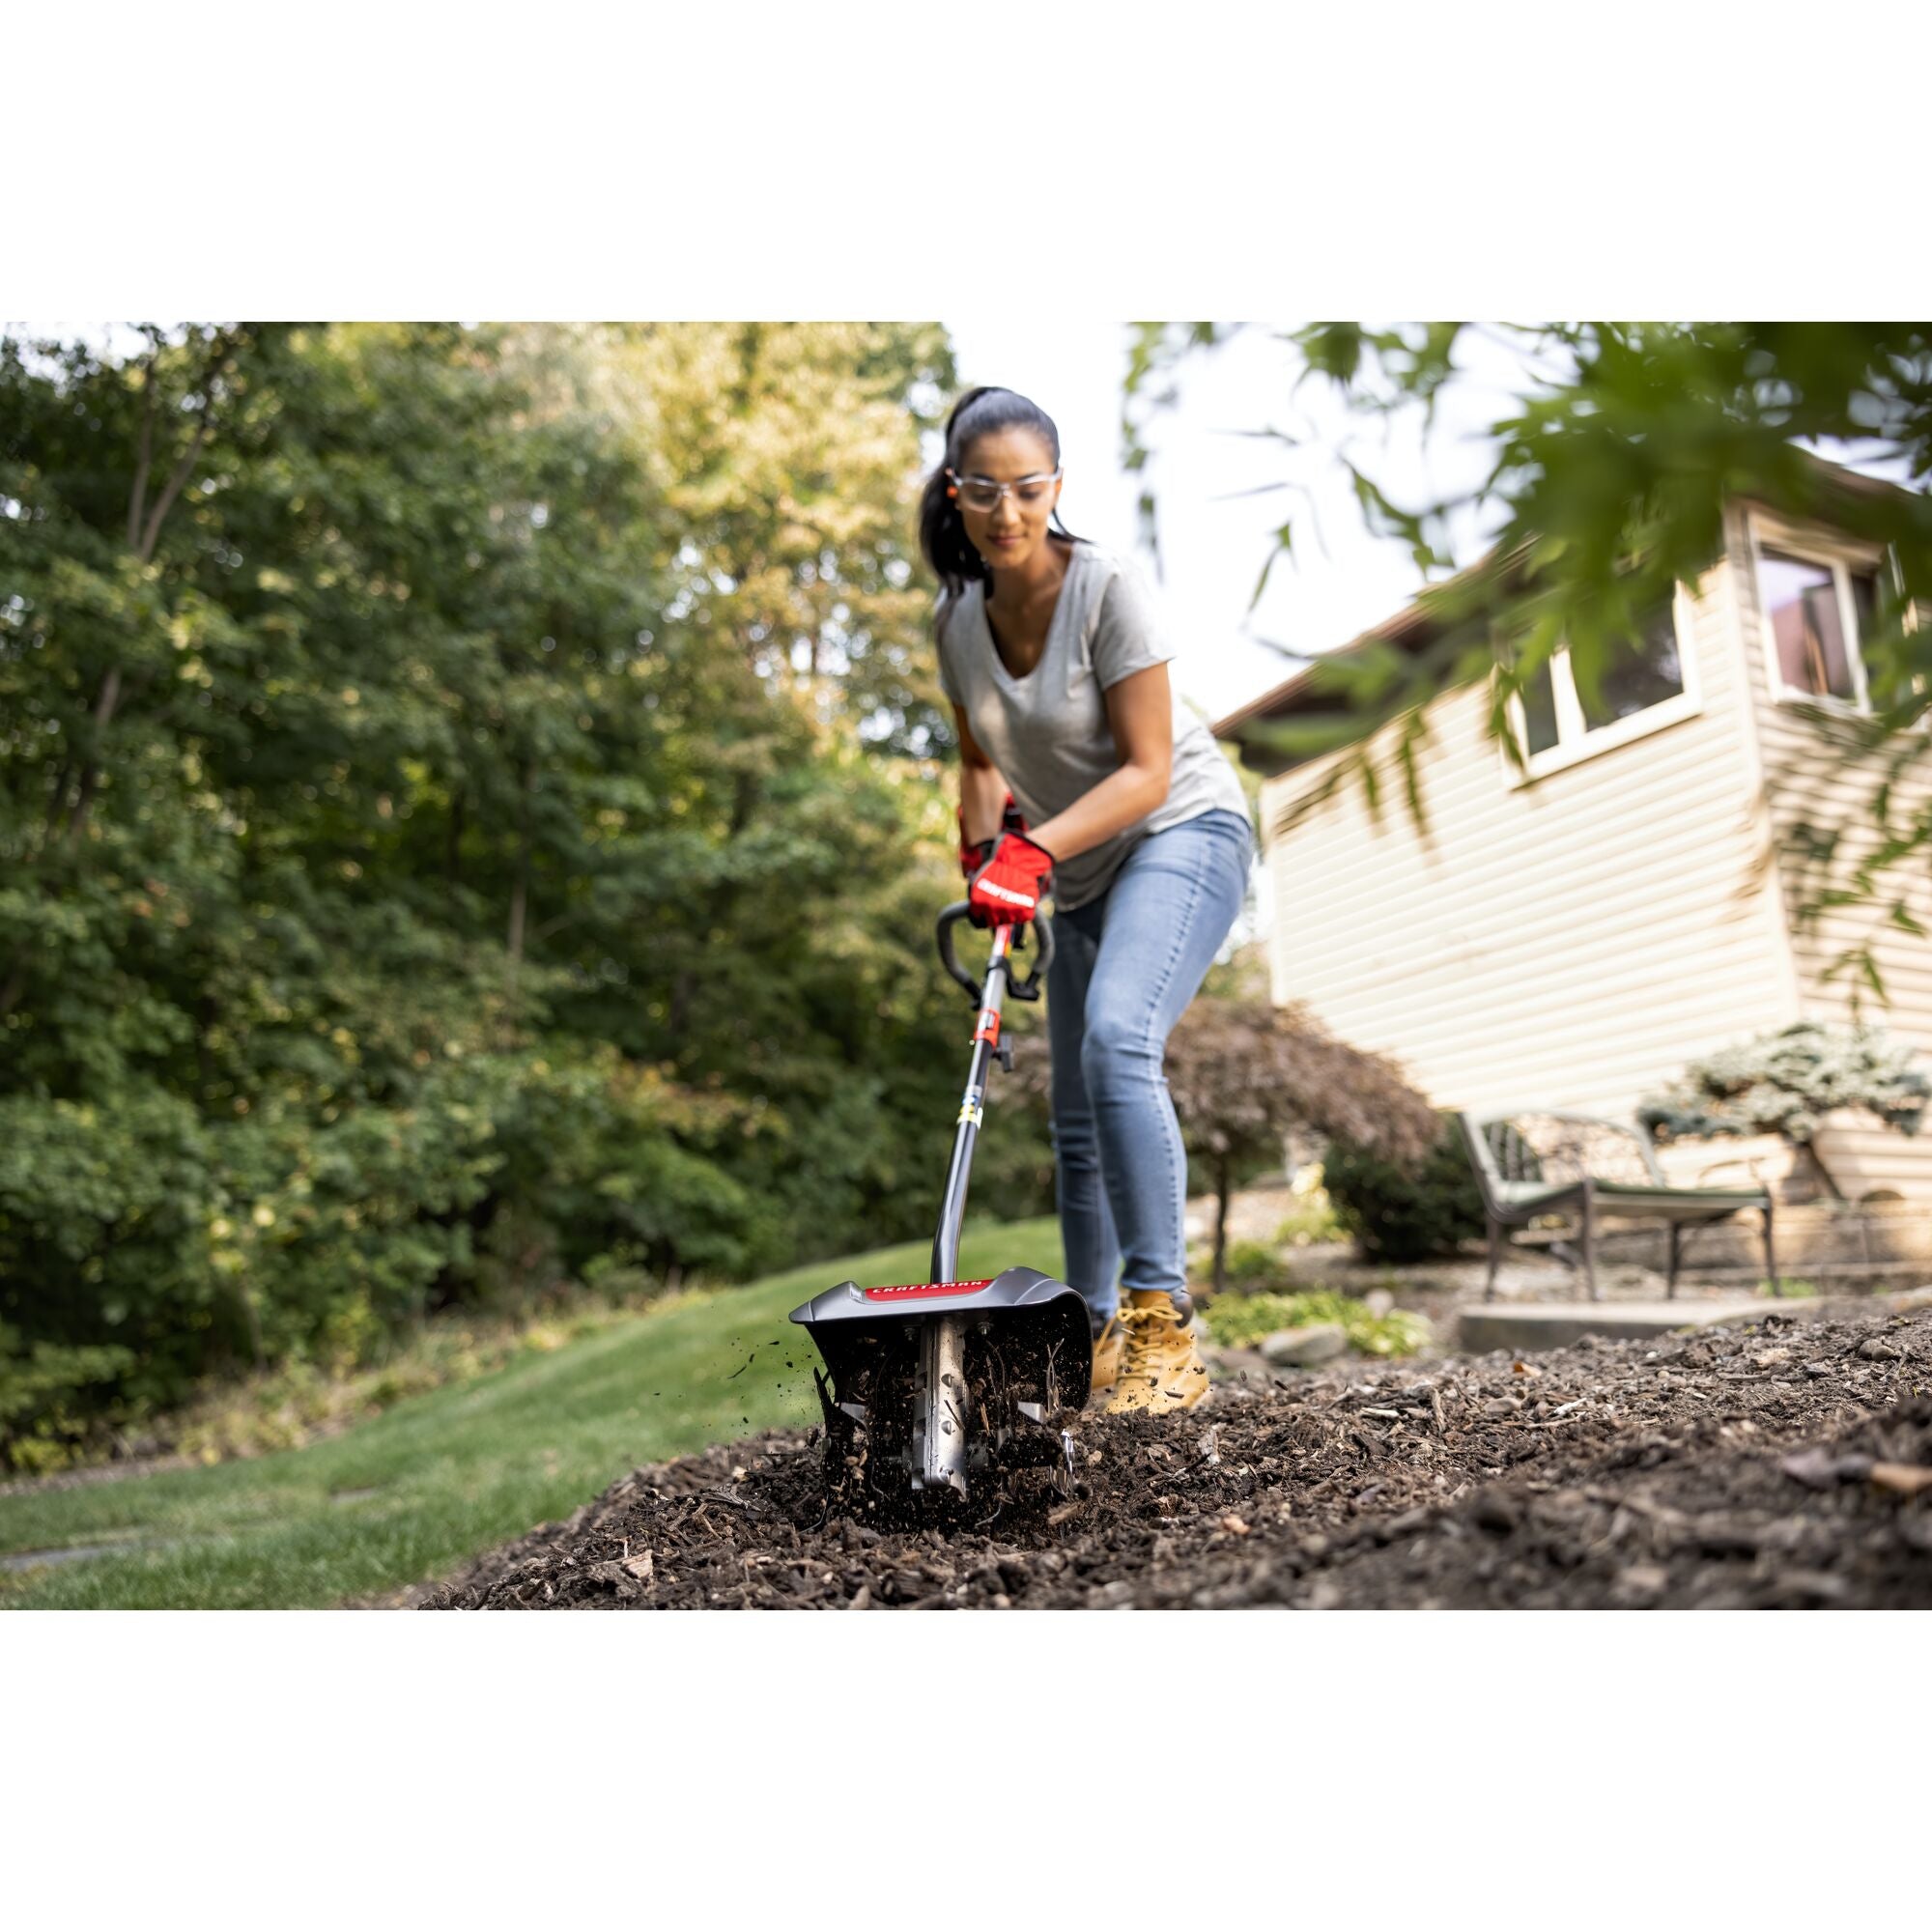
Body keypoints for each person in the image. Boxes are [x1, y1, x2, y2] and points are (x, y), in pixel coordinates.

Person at [918, 385, 1254, 1415]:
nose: (1007, 512)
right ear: (956, 494)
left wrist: (1031, 853)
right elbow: (980, 761)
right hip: (1077, 868)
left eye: (1027, 490)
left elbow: (1148, 771)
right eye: (985, 491)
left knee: (1116, 1043)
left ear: (1054, 488)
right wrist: (983, 857)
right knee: (1073, 1118)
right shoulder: (956, 626)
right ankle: (1097, 1331)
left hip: (1180, 832)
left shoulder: (1105, 588)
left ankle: (1162, 1327)